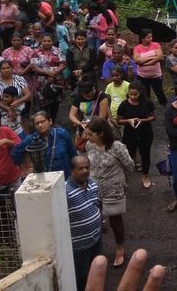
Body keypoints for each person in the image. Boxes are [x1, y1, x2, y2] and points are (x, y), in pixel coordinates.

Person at [85, 117, 134, 268]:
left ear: (101, 134)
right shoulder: (89, 145)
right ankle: (95, 250)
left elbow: (129, 165)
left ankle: (119, 247)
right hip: (93, 188)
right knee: (94, 218)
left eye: (91, 134)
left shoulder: (117, 147)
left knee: (115, 219)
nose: (88, 137)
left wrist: (121, 181)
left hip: (113, 188)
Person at [66, 155, 102, 291]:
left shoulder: (92, 184)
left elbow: (97, 205)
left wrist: (101, 223)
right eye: (80, 168)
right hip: (79, 247)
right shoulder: (65, 192)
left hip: (96, 240)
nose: (85, 171)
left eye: (87, 167)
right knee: (82, 279)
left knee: (98, 271)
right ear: (72, 171)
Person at [13, 110, 77, 178]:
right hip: (44, 178)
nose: (40, 125)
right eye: (37, 123)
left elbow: (73, 154)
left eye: (42, 122)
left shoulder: (62, 134)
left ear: (50, 121)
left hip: (65, 176)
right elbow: (15, 153)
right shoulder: (31, 139)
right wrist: (24, 168)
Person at [116, 82, 155, 189]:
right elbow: (119, 120)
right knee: (127, 155)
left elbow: (153, 117)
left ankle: (145, 176)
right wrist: (128, 120)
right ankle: (124, 178)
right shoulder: (124, 105)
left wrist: (141, 120)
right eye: (130, 94)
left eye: (135, 95)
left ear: (140, 93)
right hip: (129, 133)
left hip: (145, 132)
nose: (132, 97)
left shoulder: (147, 102)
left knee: (145, 154)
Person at [29, 35, 66, 121]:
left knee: (55, 102)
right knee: (43, 103)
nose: (47, 43)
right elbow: (33, 67)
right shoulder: (36, 52)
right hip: (41, 82)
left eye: (49, 41)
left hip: (56, 81)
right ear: (41, 42)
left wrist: (55, 72)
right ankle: (44, 121)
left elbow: (63, 63)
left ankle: (53, 120)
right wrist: (48, 73)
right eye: (44, 41)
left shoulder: (58, 50)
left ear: (52, 41)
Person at [0, 59, 31, 126]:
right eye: (3, 68)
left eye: (8, 68)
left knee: (22, 130)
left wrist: (19, 101)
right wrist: (8, 109)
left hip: (19, 109)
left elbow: (28, 94)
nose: (6, 70)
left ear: (12, 68)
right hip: (2, 110)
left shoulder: (19, 79)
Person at [133, 30, 165, 106]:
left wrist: (145, 63)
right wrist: (153, 57)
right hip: (142, 76)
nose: (150, 39)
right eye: (148, 37)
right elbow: (137, 60)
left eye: (151, 37)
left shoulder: (156, 45)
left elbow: (160, 57)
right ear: (142, 38)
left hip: (156, 75)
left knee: (159, 92)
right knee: (145, 94)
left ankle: (164, 106)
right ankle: (147, 109)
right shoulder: (137, 48)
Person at [104, 67, 129, 132]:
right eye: (112, 76)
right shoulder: (109, 86)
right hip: (113, 116)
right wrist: (111, 118)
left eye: (116, 75)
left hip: (125, 117)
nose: (114, 78)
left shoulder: (127, 85)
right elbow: (106, 103)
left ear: (122, 75)